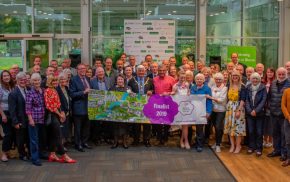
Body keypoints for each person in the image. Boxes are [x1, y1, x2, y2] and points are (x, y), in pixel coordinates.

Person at [44, 75, 76, 163]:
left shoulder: (54, 90)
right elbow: (50, 106)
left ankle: (52, 154)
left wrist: (62, 113)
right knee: (58, 136)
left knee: (54, 136)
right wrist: (60, 114)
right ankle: (64, 155)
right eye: (53, 81)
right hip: (52, 115)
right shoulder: (48, 91)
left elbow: (58, 104)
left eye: (55, 81)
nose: (55, 82)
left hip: (57, 115)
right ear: (49, 82)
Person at [128, 65, 154, 147]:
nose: (141, 72)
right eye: (139, 71)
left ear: (145, 71)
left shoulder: (150, 80)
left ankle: (146, 140)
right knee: (136, 123)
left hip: (147, 105)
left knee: (147, 123)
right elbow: (128, 89)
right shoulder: (132, 80)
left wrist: (151, 91)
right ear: (136, 71)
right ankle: (136, 140)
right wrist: (130, 92)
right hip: (135, 105)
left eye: (142, 71)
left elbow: (153, 90)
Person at [267, 67, 290, 161]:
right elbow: (269, 97)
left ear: (286, 74)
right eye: (279, 74)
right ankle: (276, 150)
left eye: (283, 74)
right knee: (275, 133)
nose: (281, 76)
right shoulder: (273, 83)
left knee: (284, 135)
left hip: (284, 115)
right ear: (277, 74)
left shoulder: (289, 84)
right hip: (273, 113)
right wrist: (270, 108)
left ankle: (284, 153)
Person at [69, 63, 92, 152]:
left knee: (86, 127)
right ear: (77, 70)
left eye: (84, 68)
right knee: (78, 128)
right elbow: (72, 94)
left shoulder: (87, 78)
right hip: (78, 108)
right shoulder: (73, 80)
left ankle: (84, 142)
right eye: (81, 69)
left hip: (88, 107)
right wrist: (83, 92)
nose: (83, 70)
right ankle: (77, 144)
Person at [8, 72, 30, 161]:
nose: (23, 81)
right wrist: (15, 122)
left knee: (28, 137)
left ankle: (29, 152)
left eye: (24, 79)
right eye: (21, 80)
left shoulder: (28, 89)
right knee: (20, 139)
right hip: (20, 120)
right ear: (17, 81)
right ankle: (22, 154)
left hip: (29, 119)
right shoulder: (13, 93)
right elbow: (12, 110)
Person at [25, 73, 46, 166]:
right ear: (31, 82)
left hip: (42, 119)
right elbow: (28, 108)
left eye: (38, 80)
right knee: (34, 140)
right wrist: (30, 120)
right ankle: (35, 158)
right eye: (34, 80)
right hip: (34, 120)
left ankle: (40, 154)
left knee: (41, 138)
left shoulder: (43, 90)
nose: (36, 82)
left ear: (40, 81)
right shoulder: (30, 93)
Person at [224, 70, 246, 154]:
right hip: (229, 108)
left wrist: (239, 110)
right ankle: (232, 145)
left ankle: (238, 146)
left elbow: (243, 99)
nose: (235, 77)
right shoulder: (228, 85)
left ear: (239, 76)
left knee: (238, 129)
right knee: (230, 128)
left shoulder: (242, 86)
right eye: (233, 75)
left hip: (238, 107)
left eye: (236, 75)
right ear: (231, 77)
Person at [245, 72, 267, 157]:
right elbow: (246, 100)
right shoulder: (248, 87)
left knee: (259, 131)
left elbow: (263, 100)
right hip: (250, 113)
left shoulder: (263, 87)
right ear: (251, 79)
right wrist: (250, 110)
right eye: (253, 78)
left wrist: (256, 111)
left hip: (260, 113)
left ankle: (259, 149)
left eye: (256, 78)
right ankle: (251, 147)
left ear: (259, 79)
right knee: (250, 131)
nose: (254, 80)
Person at [153, 65, 176, 145]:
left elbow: (175, 92)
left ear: (166, 70)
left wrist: (168, 93)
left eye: (163, 70)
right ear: (158, 71)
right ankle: (159, 137)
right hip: (157, 104)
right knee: (158, 121)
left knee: (167, 121)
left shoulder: (172, 79)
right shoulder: (154, 79)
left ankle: (165, 137)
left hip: (168, 103)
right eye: (160, 70)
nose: (162, 72)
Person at [190, 73, 212, 152]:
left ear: (204, 80)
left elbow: (209, 101)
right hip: (193, 111)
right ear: (195, 80)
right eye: (197, 79)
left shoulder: (207, 89)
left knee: (199, 128)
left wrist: (208, 111)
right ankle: (196, 142)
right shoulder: (193, 87)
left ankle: (199, 145)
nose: (199, 80)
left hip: (202, 112)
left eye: (200, 79)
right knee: (194, 128)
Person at [207, 73, 227, 153]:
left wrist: (211, 98)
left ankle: (218, 145)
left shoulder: (225, 88)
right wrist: (213, 99)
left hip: (221, 111)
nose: (218, 81)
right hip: (213, 110)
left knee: (219, 127)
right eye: (216, 79)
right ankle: (217, 142)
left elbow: (222, 100)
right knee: (215, 128)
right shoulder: (212, 87)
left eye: (220, 79)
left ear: (222, 80)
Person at [170, 70, 190, 149]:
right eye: (181, 77)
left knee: (185, 125)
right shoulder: (175, 86)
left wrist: (188, 94)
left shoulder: (187, 84)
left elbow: (188, 93)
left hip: (186, 107)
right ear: (178, 77)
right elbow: (173, 95)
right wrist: (169, 94)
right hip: (178, 108)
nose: (183, 79)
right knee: (182, 125)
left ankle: (184, 141)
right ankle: (184, 141)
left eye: (184, 77)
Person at [110, 74, 131, 149]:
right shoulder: (112, 88)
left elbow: (131, 98)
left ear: (124, 80)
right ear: (116, 81)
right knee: (115, 127)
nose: (120, 81)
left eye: (121, 79)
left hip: (125, 111)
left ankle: (124, 142)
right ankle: (115, 142)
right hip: (115, 111)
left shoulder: (128, 88)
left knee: (124, 127)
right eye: (119, 79)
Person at [0, 70, 15, 162]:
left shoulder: (12, 87)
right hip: (4, 113)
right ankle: (4, 154)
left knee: (13, 133)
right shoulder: (0, 88)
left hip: (13, 113)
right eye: (4, 76)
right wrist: (3, 115)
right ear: (1, 78)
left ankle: (10, 152)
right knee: (8, 133)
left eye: (7, 75)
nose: (6, 77)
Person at [56, 72, 71, 148]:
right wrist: (61, 113)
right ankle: (60, 147)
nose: (63, 80)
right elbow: (58, 103)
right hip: (61, 113)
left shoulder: (66, 88)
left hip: (67, 112)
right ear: (58, 80)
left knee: (65, 130)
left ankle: (63, 145)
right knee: (61, 131)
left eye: (64, 79)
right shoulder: (57, 89)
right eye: (61, 79)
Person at [263, 68, 275, 148]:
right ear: (266, 73)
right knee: (264, 123)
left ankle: (270, 140)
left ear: (274, 73)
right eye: (268, 72)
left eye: (271, 72)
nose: (269, 73)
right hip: (263, 106)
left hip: (271, 106)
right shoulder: (263, 82)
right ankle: (264, 140)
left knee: (271, 124)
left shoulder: (275, 82)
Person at [281, 87, 290, 166]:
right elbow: (283, 105)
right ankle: (289, 158)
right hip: (287, 120)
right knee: (288, 140)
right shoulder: (286, 91)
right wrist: (288, 116)